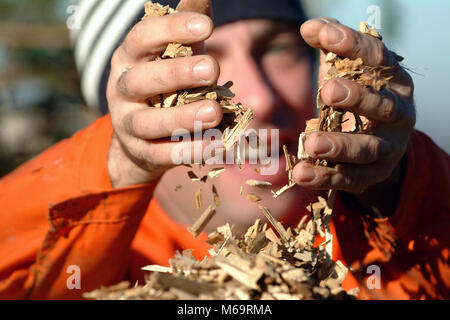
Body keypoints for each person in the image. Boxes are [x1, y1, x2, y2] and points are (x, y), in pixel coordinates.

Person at [0, 0, 448, 300]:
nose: (259, 99)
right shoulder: (89, 270)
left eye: (277, 49)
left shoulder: (385, 238)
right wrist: (116, 167)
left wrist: (400, 187)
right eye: (195, 65)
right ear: (120, 110)